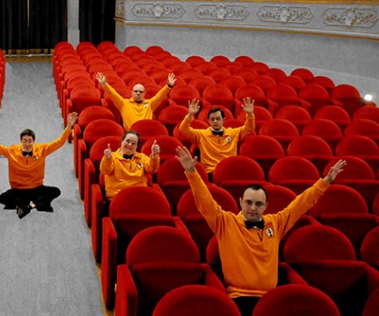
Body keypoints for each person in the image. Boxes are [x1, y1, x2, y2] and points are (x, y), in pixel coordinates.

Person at [174, 145, 346, 316]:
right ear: (241, 202)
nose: (253, 208)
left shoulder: (275, 223)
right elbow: (205, 202)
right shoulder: (225, 222)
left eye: (258, 204)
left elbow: (300, 204)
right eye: (248, 202)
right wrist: (192, 172)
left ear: (266, 207)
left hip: (271, 301)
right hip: (237, 299)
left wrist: (325, 181)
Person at [0, 112, 78, 218]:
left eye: (30, 141)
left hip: (37, 188)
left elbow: (58, 142)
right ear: (21, 141)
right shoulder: (11, 151)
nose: (27, 144)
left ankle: (29, 206)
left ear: (33, 141)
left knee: (55, 191)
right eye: (25, 141)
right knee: (2, 198)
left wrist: (69, 126)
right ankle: (34, 204)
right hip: (18, 189)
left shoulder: (42, 149)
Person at [179, 98, 255, 179]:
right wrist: (190, 115)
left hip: (230, 171)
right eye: (212, 119)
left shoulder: (233, 133)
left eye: (218, 119)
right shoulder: (201, 134)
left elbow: (249, 128)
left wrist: (250, 114)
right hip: (211, 173)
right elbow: (183, 130)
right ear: (208, 121)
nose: (215, 121)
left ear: (224, 119)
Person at [96, 71, 176, 130]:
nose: (138, 93)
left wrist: (168, 86)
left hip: (146, 134)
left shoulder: (150, 104)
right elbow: (113, 94)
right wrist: (105, 85)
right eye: (136, 91)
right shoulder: (124, 103)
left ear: (144, 94)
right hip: (130, 136)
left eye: (140, 92)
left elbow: (160, 96)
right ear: (132, 92)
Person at [100, 131, 160, 201]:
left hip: (140, 197)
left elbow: (152, 169)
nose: (130, 144)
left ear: (136, 146)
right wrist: (107, 159)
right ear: (122, 141)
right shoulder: (112, 157)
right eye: (127, 141)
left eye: (133, 143)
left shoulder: (142, 157)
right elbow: (105, 170)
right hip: (117, 198)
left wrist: (154, 155)